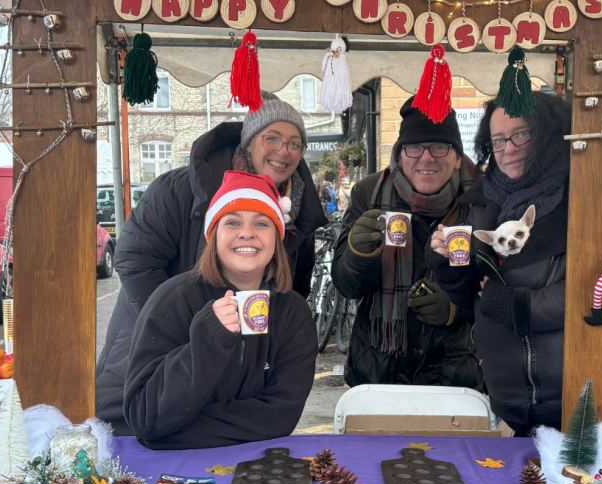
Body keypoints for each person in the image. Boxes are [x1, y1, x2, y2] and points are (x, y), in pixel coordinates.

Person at [97, 92, 327, 435]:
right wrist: (179, 321)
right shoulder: (177, 189)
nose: (284, 151)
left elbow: (295, 283)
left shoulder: (301, 205)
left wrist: (267, 340)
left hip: (241, 366)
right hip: (159, 348)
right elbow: (134, 261)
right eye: (273, 139)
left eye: (296, 144)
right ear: (249, 142)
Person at [122, 171, 318, 449]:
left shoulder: (293, 313)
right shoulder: (173, 299)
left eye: (262, 223)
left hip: (256, 470)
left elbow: (279, 418)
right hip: (175, 472)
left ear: (277, 239)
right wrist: (207, 340)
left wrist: (172, 434)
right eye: (233, 222)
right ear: (214, 235)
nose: (247, 233)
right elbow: (145, 415)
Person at [426, 91, 571, 436]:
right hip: (507, 399)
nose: (509, 148)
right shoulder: (478, 200)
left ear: (548, 134)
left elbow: (593, 293)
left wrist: (514, 305)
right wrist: (448, 266)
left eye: (521, 134)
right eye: (498, 140)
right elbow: (468, 301)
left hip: (572, 398)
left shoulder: (581, 197)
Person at [330, 96, 482, 389]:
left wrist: (456, 309)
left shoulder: (480, 200)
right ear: (399, 155)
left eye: (440, 146)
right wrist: (357, 255)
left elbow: (499, 286)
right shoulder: (369, 193)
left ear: (458, 157)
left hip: (454, 372)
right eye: (414, 147)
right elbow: (347, 287)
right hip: (377, 369)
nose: (426, 158)